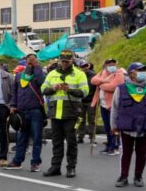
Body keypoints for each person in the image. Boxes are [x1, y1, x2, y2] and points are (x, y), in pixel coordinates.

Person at [111, 62, 146, 187]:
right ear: (131, 73)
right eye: (139, 70)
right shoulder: (121, 88)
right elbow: (115, 108)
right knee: (126, 152)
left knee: (142, 152)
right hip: (126, 126)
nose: (143, 72)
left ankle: (138, 176)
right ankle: (123, 176)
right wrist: (113, 125)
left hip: (145, 126)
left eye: (144, 70)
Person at [41, 49, 89, 178]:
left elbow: (85, 92)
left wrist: (70, 90)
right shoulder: (51, 74)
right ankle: (55, 167)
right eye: (63, 61)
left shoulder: (79, 74)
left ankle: (71, 167)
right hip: (55, 113)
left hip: (71, 113)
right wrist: (53, 88)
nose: (65, 63)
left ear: (72, 60)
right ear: (59, 60)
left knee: (71, 142)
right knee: (57, 142)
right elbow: (43, 89)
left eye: (67, 61)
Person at [5, 54, 45, 172]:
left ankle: (35, 162)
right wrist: (12, 105)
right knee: (21, 137)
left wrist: (36, 66)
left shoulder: (39, 74)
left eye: (33, 58)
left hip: (36, 111)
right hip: (21, 111)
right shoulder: (18, 76)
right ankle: (17, 161)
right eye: (28, 58)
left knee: (37, 138)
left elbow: (42, 82)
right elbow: (14, 92)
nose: (30, 60)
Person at [91, 59, 126, 156]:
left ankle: (115, 146)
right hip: (103, 104)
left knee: (113, 126)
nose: (112, 66)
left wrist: (101, 85)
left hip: (113, 105)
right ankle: (109, 145)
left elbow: (114, 86)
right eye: (109, 64)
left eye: (113, 64)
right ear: (105, 65)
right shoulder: (103, 72)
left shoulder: (119, 73)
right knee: (107, 127)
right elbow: (93, 80)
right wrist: (104, 80)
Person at [77, 60, 97, 144]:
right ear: (79, 68)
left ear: (88, 66)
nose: (84, 68)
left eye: (85, 66)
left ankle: (92, 137)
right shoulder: (78, 76)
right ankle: (80, 136)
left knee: (91, 119)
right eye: (82, 66)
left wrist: (96, 98)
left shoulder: (93, 75)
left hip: (91, 101)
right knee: (80, 119)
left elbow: (97, 88)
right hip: (81, 100)